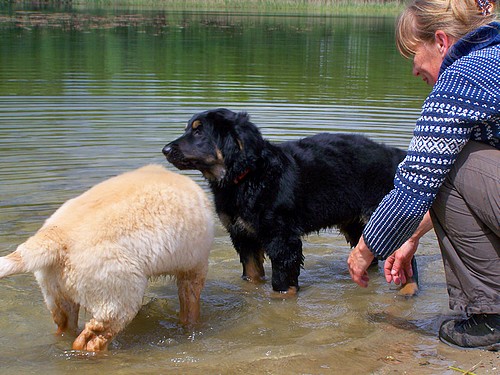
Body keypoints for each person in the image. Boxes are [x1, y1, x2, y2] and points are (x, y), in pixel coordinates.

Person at [347, 0, 499, 351]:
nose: (414, 70)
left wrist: (365, 250)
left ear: (442, 42)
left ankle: (491, 315)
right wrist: (411, 237)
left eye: (414, 54)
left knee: (444, 161)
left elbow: (415, 185)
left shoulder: (465, 74)